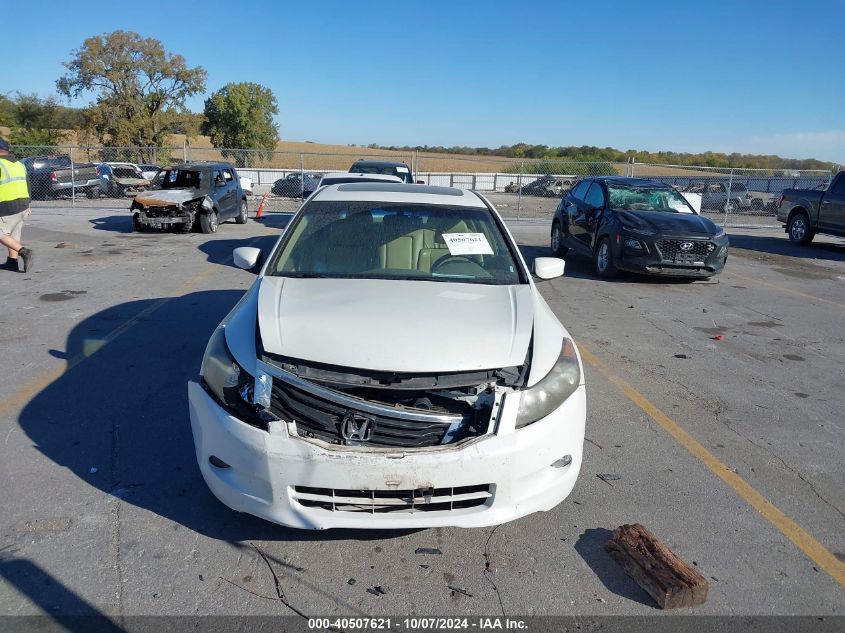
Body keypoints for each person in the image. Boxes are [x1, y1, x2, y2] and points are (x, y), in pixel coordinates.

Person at [0, 139, 34, 272]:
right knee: (14, 234)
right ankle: (12, 262)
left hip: (6, 205)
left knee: (2, 233)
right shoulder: (19, 164)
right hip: (23, 205)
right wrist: (29, 204)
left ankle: (24, 251)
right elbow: (27, 185)